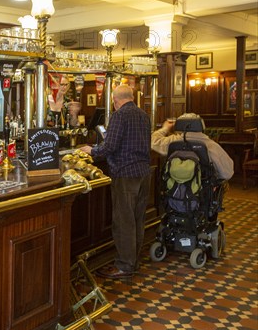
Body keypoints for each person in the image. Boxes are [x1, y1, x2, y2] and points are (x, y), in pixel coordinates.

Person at [80, 85, 151, 279]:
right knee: (137, 219)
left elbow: (110, 146)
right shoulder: (143, 115)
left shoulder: (120, 116)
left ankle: (124, 265)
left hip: (126, 173)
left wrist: (91, 151)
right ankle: (132, 261)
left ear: (115, 100)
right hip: (144, 172)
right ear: (131, 97)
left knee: (124, 221)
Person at [151, 114, 234, 180]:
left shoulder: (173, 142)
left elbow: (153, 141)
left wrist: (165, 128)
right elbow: (227, 173)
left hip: (176, 192)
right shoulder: (211, 145)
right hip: (202, 193)